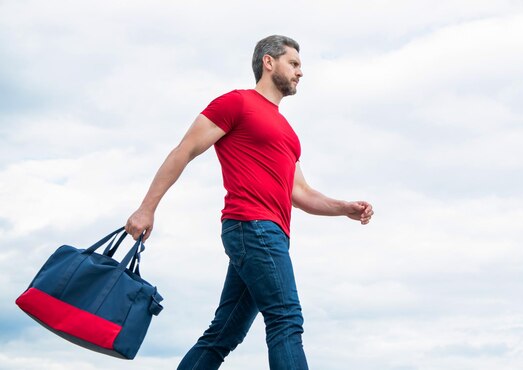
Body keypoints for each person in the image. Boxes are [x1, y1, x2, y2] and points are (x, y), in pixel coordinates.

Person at [125, 35, 374, 370]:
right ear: (268, 62)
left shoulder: (287, 132)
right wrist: (146, 208)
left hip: (267, 234)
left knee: (223, 335)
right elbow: (183, 151)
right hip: (252, 226)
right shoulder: (236, 104)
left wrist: (344, 207)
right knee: (286, 319)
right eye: (294, 63)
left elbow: (299, 193)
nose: (301, 72)